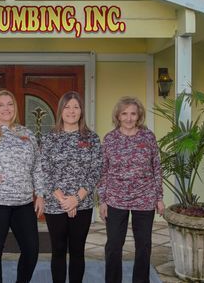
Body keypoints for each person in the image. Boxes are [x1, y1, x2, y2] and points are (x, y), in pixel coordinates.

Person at [0, 89, 45, 283]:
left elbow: (37, 165)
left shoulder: (26, 133)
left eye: (10, 104)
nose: (6, 108)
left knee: (31, 250)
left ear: (15, 107)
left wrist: (41, 194)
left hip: (24, 202)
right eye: (1, 105)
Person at [97, 96, 165, 283]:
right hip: (115, 198)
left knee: (143, 245)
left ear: (139, 115)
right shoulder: (110, 139)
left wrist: (159, 197)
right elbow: (103, 171)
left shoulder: (148, 136)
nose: (128, 118)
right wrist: (102, 200)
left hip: (145, 198)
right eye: (124, 114)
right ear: (118, 116)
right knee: (114, 245)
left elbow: (156, 167)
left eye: (133, 114)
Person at [41, 91, 102, 283]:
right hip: (54, 204)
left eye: (76, 107)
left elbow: (96, 171)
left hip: (82, 205)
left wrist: (76, 198)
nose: (71, 111)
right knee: (58, 250)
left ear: (81, 111)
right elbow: (44, 170)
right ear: (61, 110)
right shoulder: (49, 138)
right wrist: (63, 199)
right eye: (67, 107)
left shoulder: (91, 138)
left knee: (77, 250)